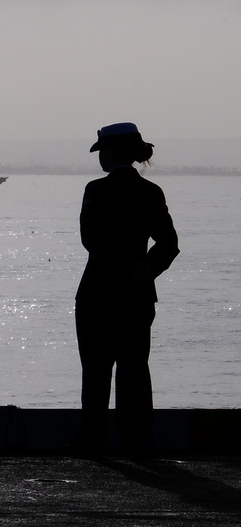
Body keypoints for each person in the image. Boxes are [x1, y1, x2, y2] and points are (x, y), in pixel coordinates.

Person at [73, 122, 179, 456]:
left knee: (95, 373)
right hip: (136, 295)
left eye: (102, 151)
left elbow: (89, 240)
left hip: (96, 292)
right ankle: (138, 444)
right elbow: (169, 243)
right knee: (134, 371)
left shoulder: (95, 190)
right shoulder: (151, 193)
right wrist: (146, 270)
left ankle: (93, 444)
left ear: (111, 152)